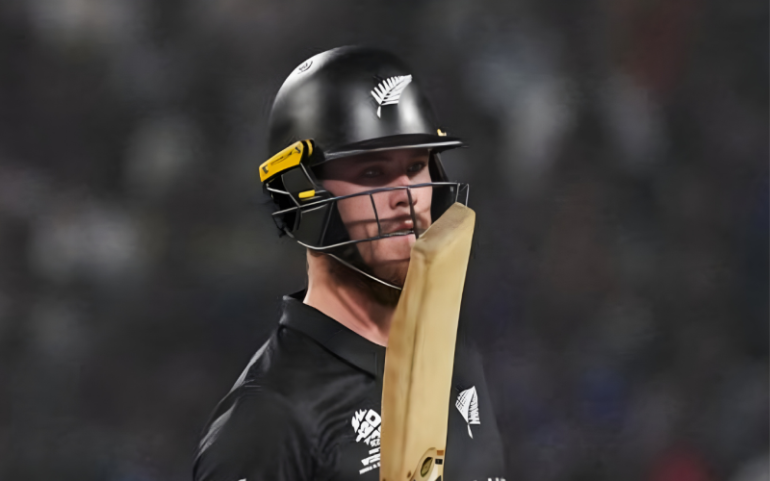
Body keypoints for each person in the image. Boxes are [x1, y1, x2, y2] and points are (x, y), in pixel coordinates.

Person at [192, 46, 507, 481]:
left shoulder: (454, 355)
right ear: (299, 193)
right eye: (373, 173)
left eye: (417, 166)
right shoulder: (268, 420)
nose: (407, 196)